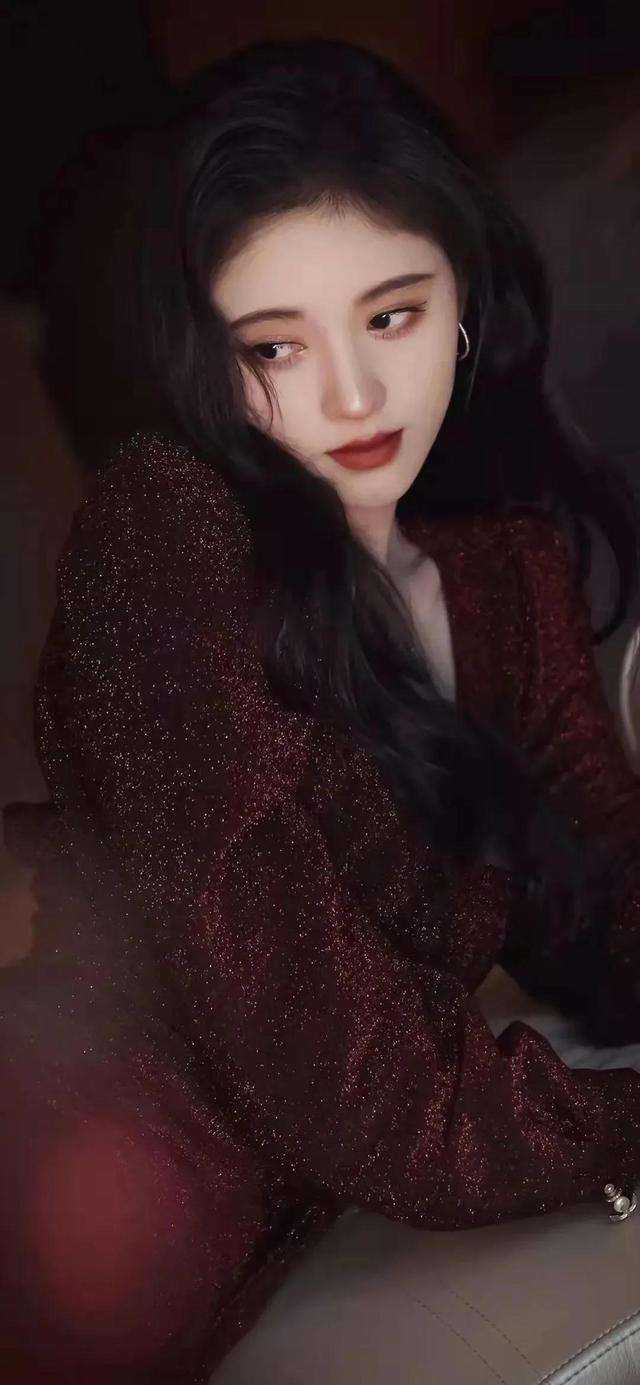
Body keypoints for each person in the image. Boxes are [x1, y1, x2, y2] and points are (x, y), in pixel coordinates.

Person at [2, 35, 640, 1384]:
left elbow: (601, 889)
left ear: (462, 299)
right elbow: (363, 1094)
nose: (352, 397)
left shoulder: (497, 567)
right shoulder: (167, 542)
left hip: (253, 1249)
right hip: (60, 1199)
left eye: (390, 316)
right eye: (276, 346)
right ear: (204, 359)